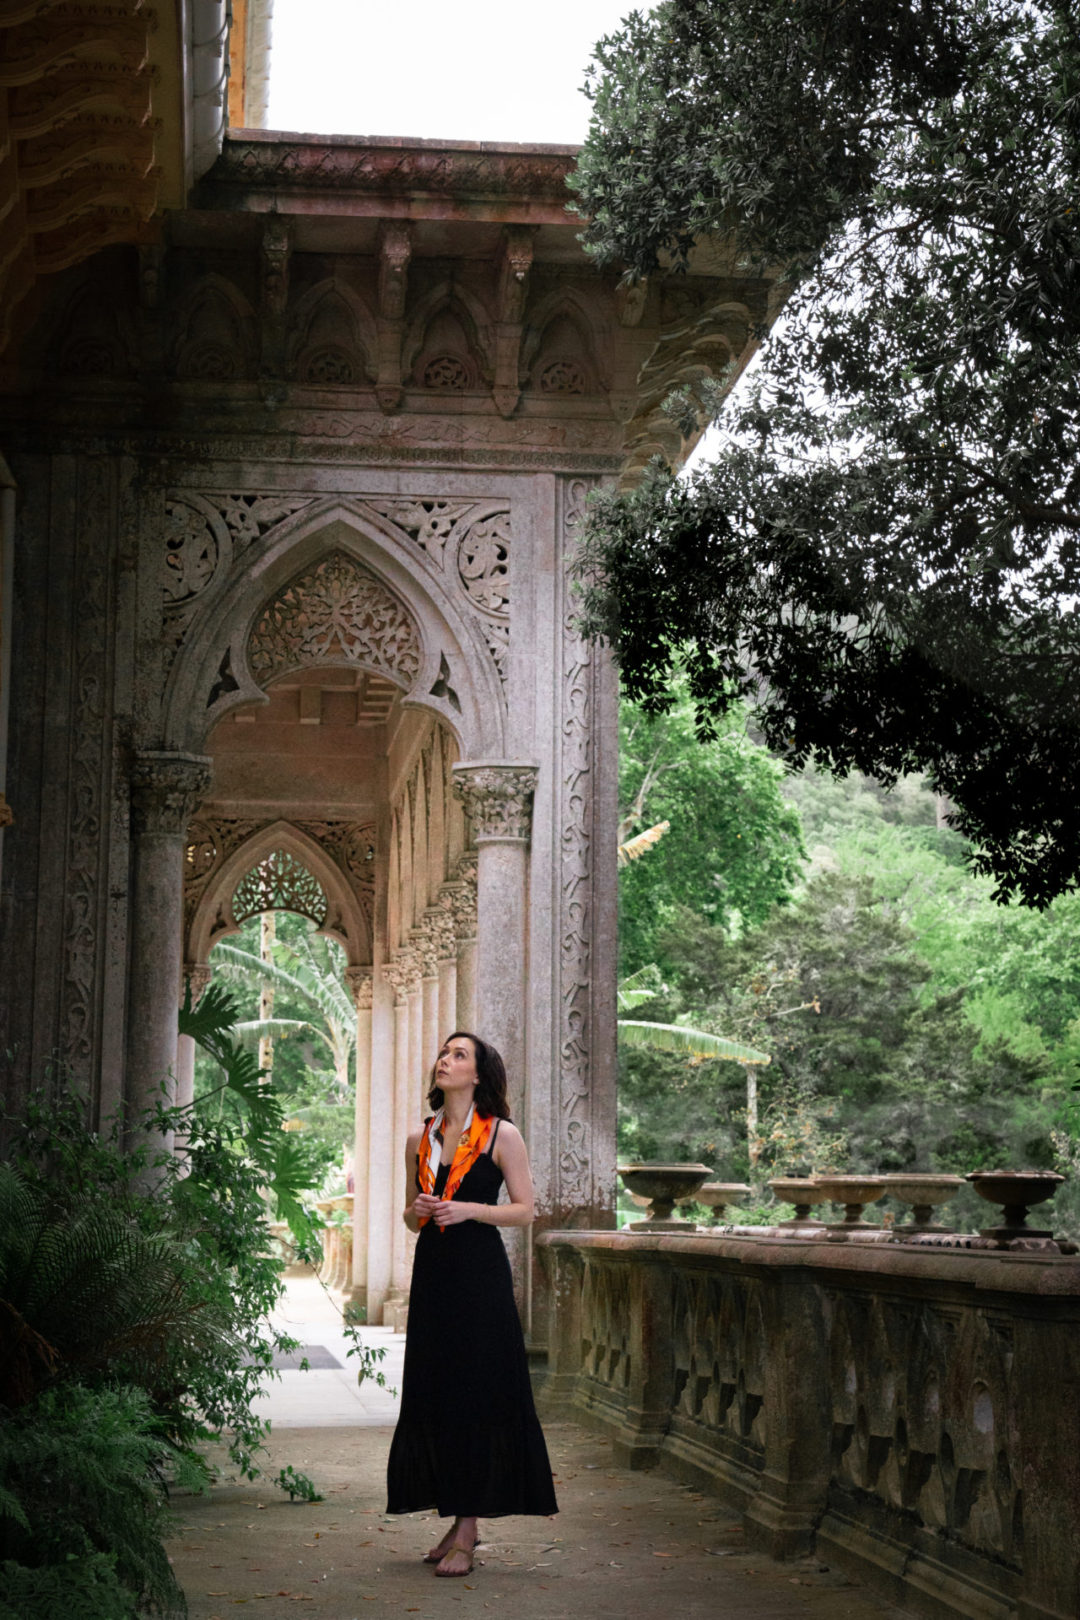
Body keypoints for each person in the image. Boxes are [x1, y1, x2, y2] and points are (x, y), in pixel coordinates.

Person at [385, 1031, 558, 1578]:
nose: (445, 1060)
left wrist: (470, 1211)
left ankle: (466, 1531)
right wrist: (417, 1210)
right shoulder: (422, 1136)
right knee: (437, 1394)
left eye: (459, 1055)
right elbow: (411, 1219)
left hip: (480, 1280)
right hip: (434, 1277)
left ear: (479, 1074)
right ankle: (459, 1521)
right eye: (443, 1052)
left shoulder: (501, 1134)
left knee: (476, 1396)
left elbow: (527, 1210)